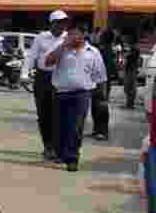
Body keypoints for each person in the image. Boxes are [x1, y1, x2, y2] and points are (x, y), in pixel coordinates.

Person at [46, 25, 108, 172]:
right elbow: (48, 62)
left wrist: (103, 97)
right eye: (70, 34)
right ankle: (61, 153)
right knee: (60, 126)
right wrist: (63, 46)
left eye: (76, 34)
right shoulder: (61, 48)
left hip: (82, 94)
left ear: (83, 35)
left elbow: (101, 76)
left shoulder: (93, 52)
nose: (72, 37)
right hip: (60, 93)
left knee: (76, 126)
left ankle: (72, 158)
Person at [21, 10, 70, 161]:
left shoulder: (69, 38)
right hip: (42, 78)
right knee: (43, 114)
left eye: (63, 22)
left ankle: (58, 147)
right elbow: (31, 57)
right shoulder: (41, 38)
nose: (61, 25)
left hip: (61, 79)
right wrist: (24, 74)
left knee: (59, 115)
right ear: (51, 24)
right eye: (58, 22)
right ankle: (48, 146)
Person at [89, 29, 117, 141]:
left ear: (105, 38)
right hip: (97, 81)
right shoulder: (104, 50)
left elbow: (107, 69)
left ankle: (103, 132)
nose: (98, 37)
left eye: (100, 36)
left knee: (101, 106)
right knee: (95, 106)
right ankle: (96, 130)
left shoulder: (105, 51)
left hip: (102, 82)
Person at [123, 32, 141, 109]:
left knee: (130, 88)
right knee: (128, 88)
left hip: (131, 70)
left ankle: (130, 104)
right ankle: (129, 103)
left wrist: (127, 54)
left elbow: (133, 59)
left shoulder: (135, 49)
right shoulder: (132, 48)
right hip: (130, 69)